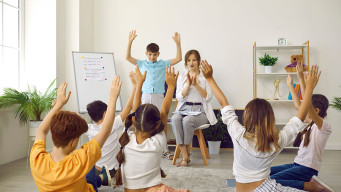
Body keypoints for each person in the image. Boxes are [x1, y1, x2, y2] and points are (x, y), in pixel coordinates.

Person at [200, 60, 321, 192]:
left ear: (246, 117)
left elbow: (224, 104)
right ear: (270, 119)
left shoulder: (238, 134)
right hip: (266, 189)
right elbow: (300, 117)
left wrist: (209, 78)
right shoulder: (276, 140)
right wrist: (309, 88)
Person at [30, 76, 122, 192]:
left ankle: (102, 178)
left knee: (89, 174)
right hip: (87, 188)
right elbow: (105, 130)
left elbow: (41, 131)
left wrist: (58, 105)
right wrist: (113, 98)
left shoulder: (37, 159)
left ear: (53, 135)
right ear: (74, 142)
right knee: (90, 174)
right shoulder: (79, 161)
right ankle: (101, 178)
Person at [114, 67, 189, 192]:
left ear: (134, 121)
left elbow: (135, 111)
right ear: (156, 125)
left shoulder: (126, 138)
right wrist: (171, 87)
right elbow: (164, 112)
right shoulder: (157, 143)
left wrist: (139, 84)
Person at [270, 61, 333, 192]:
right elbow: (300, 106)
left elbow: (306, 107)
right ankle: (304, 183)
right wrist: (291, 86)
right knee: (264, 173)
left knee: (272, 181)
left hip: (307, 169)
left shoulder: (323, 127)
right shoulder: (310, 123)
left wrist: (303, 82)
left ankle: (307, 186)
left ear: (316, 111)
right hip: (296, 164)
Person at [125, 30, 182, 160]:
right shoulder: (142, 63)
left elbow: (178, 59)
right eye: (150, 54)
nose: (152, 57)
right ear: (146, 54)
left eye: (154, 55)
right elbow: (127, 57)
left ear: (158, 54)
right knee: (143, 120)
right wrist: (130, 42)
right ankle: (144, 146)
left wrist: (178, 44)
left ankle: (164, 149)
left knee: (161, 120)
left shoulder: (163, 63)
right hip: (145, 95)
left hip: (159, 95)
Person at [85, 71, 137, 178]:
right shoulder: (113, 123)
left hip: (97, 170)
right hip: (112, 171)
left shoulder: (89, 129)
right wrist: (135, 86)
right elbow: (128, 108)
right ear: (105, 114)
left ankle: (97, 179)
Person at [171, 50, 217, 166]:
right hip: (184, 109)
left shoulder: (205, 77)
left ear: (199, 61)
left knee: (187, 120)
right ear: (186, 63)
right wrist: (188, 84)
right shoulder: (182, 77)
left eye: (194, 60)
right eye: (188, 60)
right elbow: (179, 97)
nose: (191, 63)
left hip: (200, 111)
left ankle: (185, 157)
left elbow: (208, 97)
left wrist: (196, 85)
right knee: (175, 119)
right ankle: (186, 155)